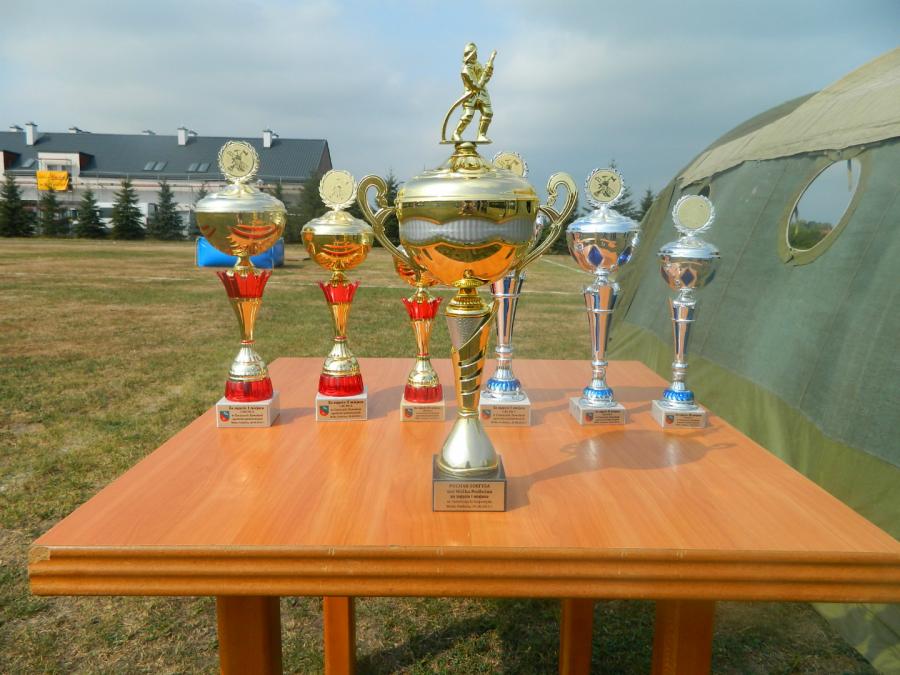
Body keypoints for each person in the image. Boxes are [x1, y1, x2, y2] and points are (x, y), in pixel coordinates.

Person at [451, 43, 495, 143]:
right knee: (468, 114)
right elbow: (476, 86)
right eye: (473, 54)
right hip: (471, 94)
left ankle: (481, 135)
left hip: (483, 93)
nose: (475, 55)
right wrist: (486, 75)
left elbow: (485, 76)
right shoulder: (465, 70)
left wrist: (489, 67)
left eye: (475, 53)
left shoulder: (477, 64)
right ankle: (456, 133)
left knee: (488, 113)